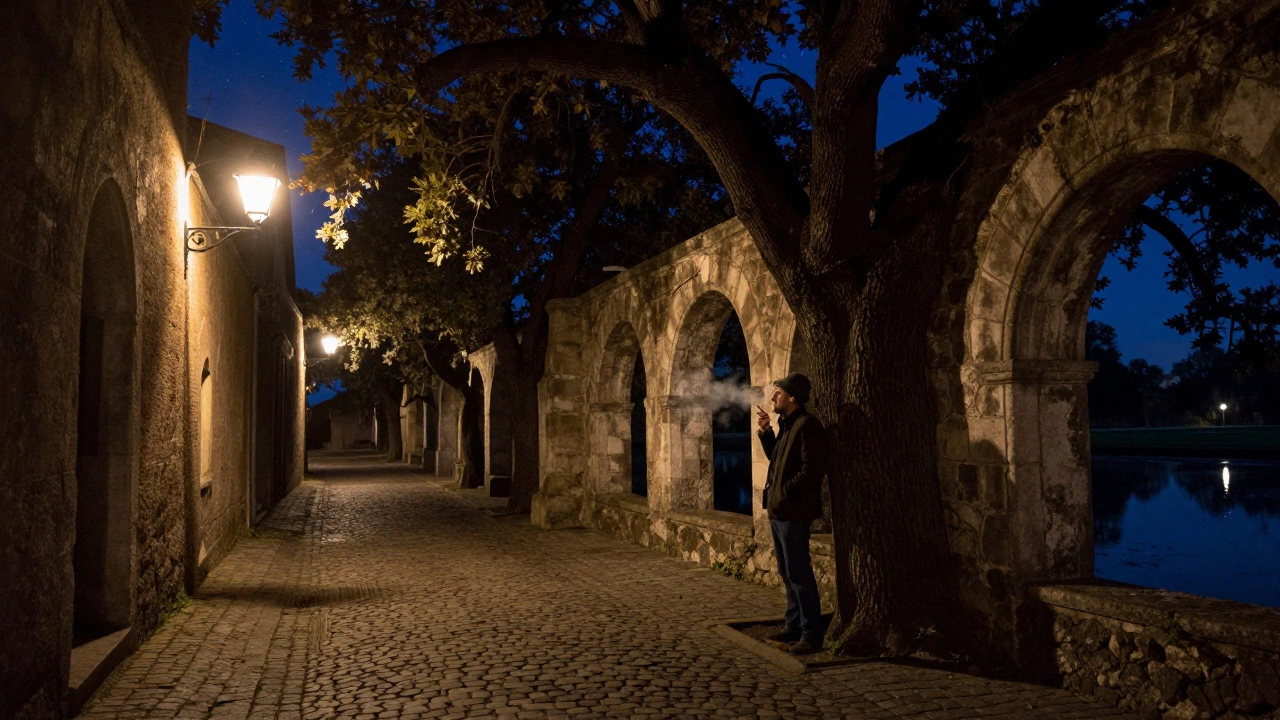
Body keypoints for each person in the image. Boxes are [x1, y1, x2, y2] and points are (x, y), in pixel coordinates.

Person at [755, 372, 828, 655]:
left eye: (778, 393)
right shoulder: (788, 425)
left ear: (792, 397)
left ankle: (811, 634)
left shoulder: (808, 425)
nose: (773, 397)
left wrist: (784, 492)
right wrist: (766, 431)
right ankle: (794, 624)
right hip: (780, 511)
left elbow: (811, 471)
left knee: (799, 572)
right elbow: (778, 458)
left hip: (793, 511)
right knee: (787, 571)